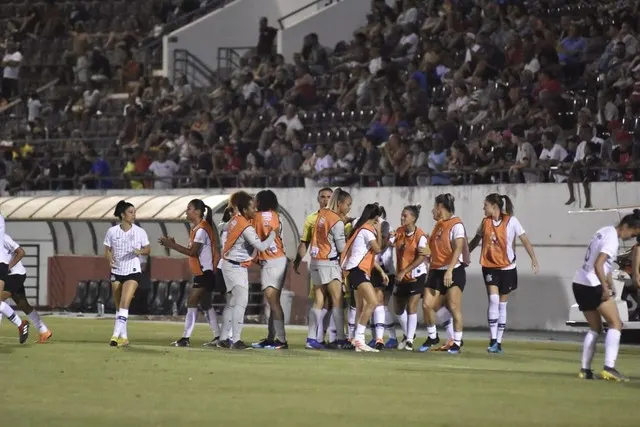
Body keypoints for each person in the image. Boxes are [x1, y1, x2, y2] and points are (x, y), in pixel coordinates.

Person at [572, 210, 640, 382]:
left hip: (579, 282)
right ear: (627, 226)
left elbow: (604, 265)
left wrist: (609, 281)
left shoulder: (603, 231)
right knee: (616, 323)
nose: (630, 238)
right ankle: (609, 368)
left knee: (595, 328)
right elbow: (599, 264)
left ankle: (585, 370)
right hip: (593, 284)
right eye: (632, 234)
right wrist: (604, 287)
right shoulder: (612, 239)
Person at [468, 194, 539, 353]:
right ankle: (493, 339)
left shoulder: (511, 221)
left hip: (507, 267)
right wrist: (464, 254)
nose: (483, 208)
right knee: (493, 300)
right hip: (489, 266)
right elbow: (475, 240)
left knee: (502, 304)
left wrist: (533, 259)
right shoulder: (485, 222)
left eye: (485, 205)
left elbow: (525, 240)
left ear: (494, 206)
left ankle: (499, 341)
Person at [220, 191, 277, 349]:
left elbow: (222, 226)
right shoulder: (246, 227)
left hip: (229, 264)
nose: (255, 209)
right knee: (240, 303)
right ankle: (236, 340)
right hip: (236, 267)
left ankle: (224, 338)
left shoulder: (235, 220)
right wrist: (273, 234)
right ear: (244, 210)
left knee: (232, 303)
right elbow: (261, 246)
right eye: (252, 207)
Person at [160, 199, 221, 348]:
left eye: (189, 209)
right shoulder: (197, 229)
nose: (186, 211)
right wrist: (173, 244)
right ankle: (218, 336)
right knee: (206, 304)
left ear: (198, 212)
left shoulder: (201, 229)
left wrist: (172, 245)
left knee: (192, 301)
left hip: (205, 273)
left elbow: (192, 252)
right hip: (203, 272)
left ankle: (185, 338)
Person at [420, 194, 469, 354]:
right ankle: (434, 336)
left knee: (453, 306)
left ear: (441, 207)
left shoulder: (456, 224)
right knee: (428, 304)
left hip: (453, 270)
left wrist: (449, 270)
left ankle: (456, 342)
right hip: (436, 270)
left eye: (435, 206)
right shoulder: (438, 225)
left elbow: (458, 248)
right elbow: (434, 249)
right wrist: (428, 253)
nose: (433, 210)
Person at [306, 188, 351, 349]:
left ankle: (311, 339)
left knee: (318, 301)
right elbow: (341, 247)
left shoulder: (321, 215)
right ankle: (340, 338)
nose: (349, 208)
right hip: (329, 263)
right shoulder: (336, 221)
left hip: (316, 261)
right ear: (339, 204)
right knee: (337, 300)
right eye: (347, 204)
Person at [104, 200, 151, 347]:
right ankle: (124, 338)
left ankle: (114, 335)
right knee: (119, 306)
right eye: (131, 212)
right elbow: (107, 250)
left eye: (134, 212)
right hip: (117, 271)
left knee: (125, 302)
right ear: (123, 215)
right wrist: (110, 258)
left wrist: (140, 251)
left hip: (133, 271)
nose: (134, 215)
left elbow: (148, 249)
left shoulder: (140, 232)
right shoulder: (112, 232)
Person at [341, 203, 384, 352]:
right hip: (358, 270)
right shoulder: (367, 230)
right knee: (373, 302)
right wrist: (379, 231)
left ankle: (357, 340)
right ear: (376, 218)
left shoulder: (358, 229)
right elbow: (378, 249)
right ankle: (359, 338)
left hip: (354, 270)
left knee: (361, 306)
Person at [293, 187, 333, 344]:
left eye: (329, 197)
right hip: (319, 263)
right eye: (323, 197)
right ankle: (314, 337)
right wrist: (297, 261)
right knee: (320, 299)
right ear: (318, 199)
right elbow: (305, 242)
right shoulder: (311, 219)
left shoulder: (340, 219)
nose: (325, 200)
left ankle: (321, 337)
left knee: (333, 302)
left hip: (336, 265)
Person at [251, 190, 289, 350]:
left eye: (255, 200)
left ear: (260, 202)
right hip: (280, 258)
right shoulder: (276, 216)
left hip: (271, 261)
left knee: (273, 303)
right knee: (274, 303)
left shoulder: (257, 218)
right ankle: (271, 338)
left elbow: (252, 239)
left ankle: (281, 340)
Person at [393, 204, 428, 351]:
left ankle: (409, 341)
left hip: (416, 275)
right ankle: (410, 334)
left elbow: (421, 257)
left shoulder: (420, 236)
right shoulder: (399, 232)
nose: (402, 217)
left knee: (411, 306)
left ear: (413, 218)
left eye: (405, 215)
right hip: (402, 276)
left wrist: (405, 270)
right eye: (402, 214)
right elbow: (387, 244)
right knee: (398, 308)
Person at [366, 206, 398, 349]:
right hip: (375, 268)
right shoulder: (370, 226)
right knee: (375, 305)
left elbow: (381, 246)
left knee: (380, 304)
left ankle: (389, 337)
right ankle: (378, 337)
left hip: (385, 270)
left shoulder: (384, 226)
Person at [0, 233, 39, 343]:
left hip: (13, 274)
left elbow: (21, 252)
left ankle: (22, 324)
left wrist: (8, 267)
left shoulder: (4, 238)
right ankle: (22, 325)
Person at [216, 205, 237, 347]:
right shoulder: (227, 226)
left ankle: (226, 335)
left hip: (225, 267)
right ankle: (226, 336)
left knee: (231, 303)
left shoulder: (227, 227)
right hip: (227, 268)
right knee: (232, 303)